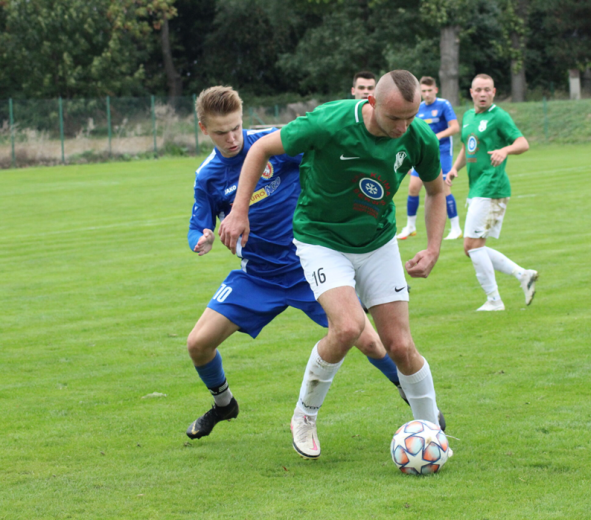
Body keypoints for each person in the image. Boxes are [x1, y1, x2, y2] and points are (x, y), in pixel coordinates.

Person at [219, 70, 449, 460]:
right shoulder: (329, 121)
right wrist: (239, 210)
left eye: (410, 118)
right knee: (347, 327)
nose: (403, 127)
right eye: (395, 118)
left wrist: (433, 247)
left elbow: (435, 190)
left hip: (377, 242)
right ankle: (304, 416)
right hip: (321, 240)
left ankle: (431, 434)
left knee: (401, 346)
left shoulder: (418, 137)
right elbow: (259, 150)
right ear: (372, 103)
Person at [185, 86, 408, 440]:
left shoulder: (272, 145)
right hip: (258, 276)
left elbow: (321, 148)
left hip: (309, 269)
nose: (230, 138)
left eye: (235, 128)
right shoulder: (208, 176)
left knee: (369, 341)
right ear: (203, 129)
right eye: (219, 132)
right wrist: (202, 237)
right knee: (198, 343)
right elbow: (198, 224)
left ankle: (412, 394)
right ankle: (224, 404)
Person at [445, 74, 538, 312]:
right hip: (477, 187)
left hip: (493, 187)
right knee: (472, 247)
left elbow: (523, 143)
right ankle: (522, 275)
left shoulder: (499, 116)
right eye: (479, 90)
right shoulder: (467, 117)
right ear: (472, 92)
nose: (483, 94)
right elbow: (468, 146)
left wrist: (505, 150)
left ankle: (495, 300)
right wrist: (455, 168)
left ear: (493, 92)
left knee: (472, 246)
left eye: (487, 90)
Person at [397, 76, 462, 241]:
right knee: (413, 188)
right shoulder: (418, 107)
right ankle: (410, 226)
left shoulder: (443, 105)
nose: (426, 94)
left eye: (429, 90)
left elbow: (455, 127)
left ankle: (456, 228)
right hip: (423, 154)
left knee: (444, 188)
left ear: (436, 89)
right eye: (423, 91)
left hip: (442, 153)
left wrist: (436, 136)